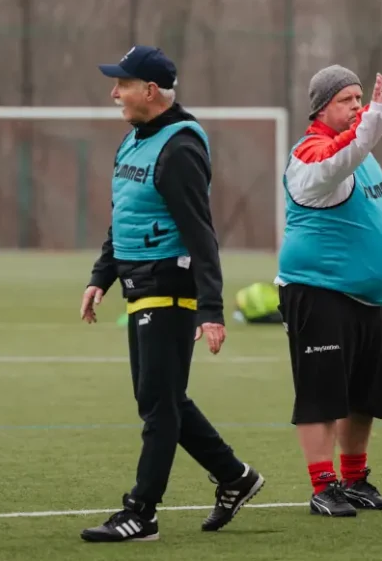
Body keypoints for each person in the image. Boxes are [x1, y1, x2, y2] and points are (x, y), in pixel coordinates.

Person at [78, 45, 264, 542]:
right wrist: (102, 276)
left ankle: (141, 512)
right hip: (140, 285)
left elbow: (201, 234)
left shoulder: (180, 148)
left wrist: (212, 309)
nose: (114, 93)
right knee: (164, 399)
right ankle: (235, 476)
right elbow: (125, 214)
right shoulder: (135, 140)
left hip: (170, 289)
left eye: (122, 84)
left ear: (150, 91)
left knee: (158, 406)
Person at [274, 65, 382, 517]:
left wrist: (368, 128)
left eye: (360, 98)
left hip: (367, 300)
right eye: (347, 100)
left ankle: (354, 479)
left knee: (363, 397)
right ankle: (322, 485)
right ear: (322, 106)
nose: (357, 107)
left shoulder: (361, 151)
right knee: (321, 395)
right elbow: (334, 161)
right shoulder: (311, 153)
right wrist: (370, 126)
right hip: (319, 292)